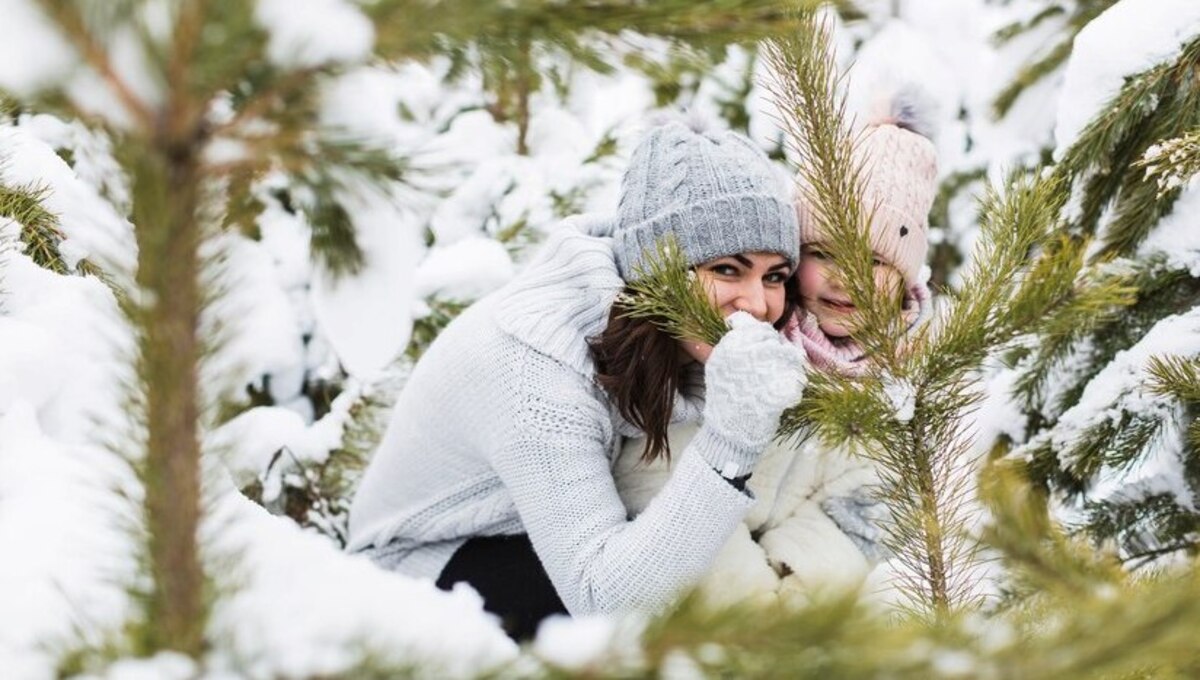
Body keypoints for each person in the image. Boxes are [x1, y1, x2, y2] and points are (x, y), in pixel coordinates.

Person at [347, 117, 808, 640]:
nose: (757, 304)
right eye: (727, 269)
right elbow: (603, 599)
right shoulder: (538, 367)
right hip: (419, 573)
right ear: (655, 268)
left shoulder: (665, 326)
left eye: (775, 276)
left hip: (535, 539)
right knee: (667, 637)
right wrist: (733, 438)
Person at [615, 88, 939, 609]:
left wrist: (794, 585)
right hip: (712, 595)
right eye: (825, 251)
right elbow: (656, 474)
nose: (848, 277)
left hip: (800, 596)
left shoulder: (913, 371)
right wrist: (759, 605)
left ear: (904, 277)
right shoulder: (733, 336)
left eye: (875, 260)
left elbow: (869, 506)